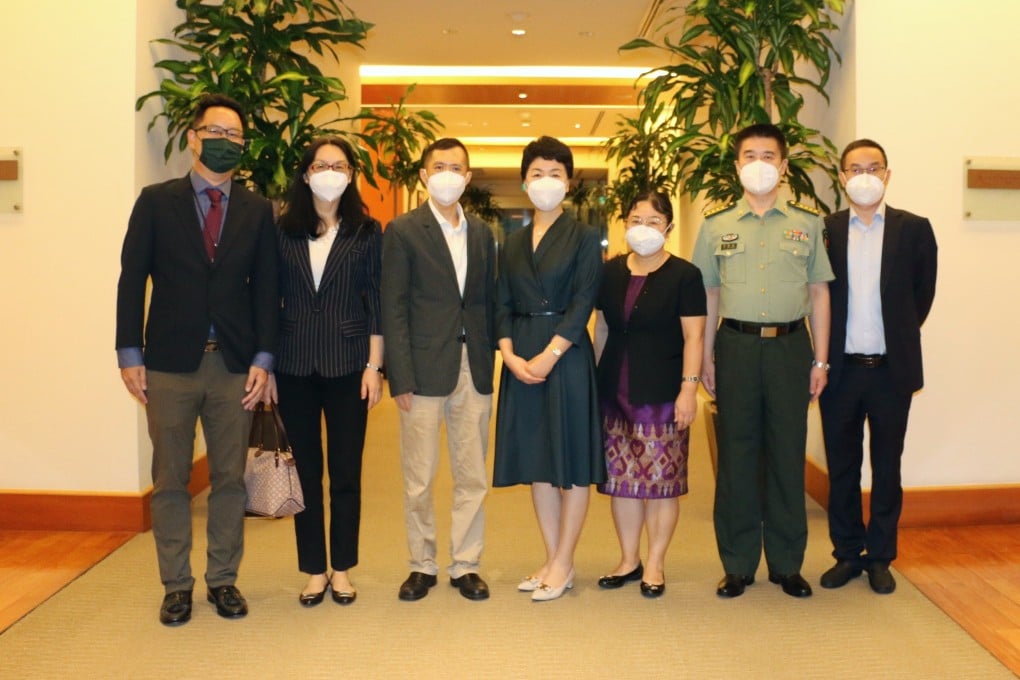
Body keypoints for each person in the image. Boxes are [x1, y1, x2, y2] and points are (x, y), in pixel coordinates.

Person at [116, 93, 278, 625]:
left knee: (230, 478)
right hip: (167, 364)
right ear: (193, 136)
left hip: (234, 365)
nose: (227, 142)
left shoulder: (256, 209)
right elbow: (131, 278)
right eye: (217, 132)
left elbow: (267, 289)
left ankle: (223, 581)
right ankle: (176, 585)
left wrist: (264, 356)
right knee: (170, 478)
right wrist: (128, 350)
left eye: (236, 135)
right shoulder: (155, 201)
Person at [692, 123, 834, 599]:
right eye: (749, 155)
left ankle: (787, 564)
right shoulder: (716, 226)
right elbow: (708, 295)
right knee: (737, 456)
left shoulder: (808, 224)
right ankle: (737, 563)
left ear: (784, 165)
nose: (759, 164)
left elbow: (819, 294)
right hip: (735, 346)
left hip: (792, 347)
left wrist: (821, 360)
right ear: (737, 166)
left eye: (768, 155)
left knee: (787, 454)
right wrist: (707, 354)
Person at [266, 137, 383, 607]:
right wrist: (267, 364)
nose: (330, 171)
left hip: (349, 365)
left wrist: (375, 365)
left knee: (347, 473)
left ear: (351, 174)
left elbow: (376, 303)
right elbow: (267, 304)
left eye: (339, 165)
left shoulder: (367, 231)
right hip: (293, 364)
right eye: (321, 164)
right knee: (306, 473)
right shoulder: (281, 231)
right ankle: (314, 569)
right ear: (306, 173)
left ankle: (343, 569)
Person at [818, 139, 938, 595]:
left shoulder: (914, 230)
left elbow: (920, 297)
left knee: (888, 466)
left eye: (874, 167)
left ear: (887, 176)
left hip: (891, 371)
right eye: (855, 168)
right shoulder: (825, 229)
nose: (865, 175)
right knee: (843, 466)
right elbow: (819, 297)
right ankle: (847, 553)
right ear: (843, 177)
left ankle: (881, 556)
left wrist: (898, 335)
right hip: (840, 373)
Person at [381, 138, 497, 602]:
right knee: (420, 476)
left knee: (472, 474)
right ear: (425, 175)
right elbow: (394, 307)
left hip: (476, 367)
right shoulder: (403, 231)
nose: (449, 174)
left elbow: (486, 300)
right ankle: (422, 564)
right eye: (440, 166)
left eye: (458, 167)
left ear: (468, 178)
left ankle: (466, 564)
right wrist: (400, 377)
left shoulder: (484, 234)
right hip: (423, 370)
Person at [493, 136, 604, 602]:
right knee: (539, 461)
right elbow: (499, 303)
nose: (546, 182)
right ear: (524, 181)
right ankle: (553, 556)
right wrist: (510, 354)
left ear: (570, 182)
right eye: (537, 173)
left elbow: (583, 303)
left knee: (573, 463)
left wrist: (550, 354)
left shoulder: (582, 238)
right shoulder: (513, 242)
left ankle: (563, 561)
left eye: (555, 174)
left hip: (567, 355)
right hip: (521, 357)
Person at [593, 191, 706, 598]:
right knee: (621, 481)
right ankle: (628, 559)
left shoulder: (685, 275)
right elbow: (602, 329)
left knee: (660, 481)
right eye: (635, 218)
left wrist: (688, 391)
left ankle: (655, 562)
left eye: (654, 221)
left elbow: (694, 337)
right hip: (614, 388)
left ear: (669, 228)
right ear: (624, 223)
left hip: (663, 390)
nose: (643, 227)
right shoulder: (609, 273)